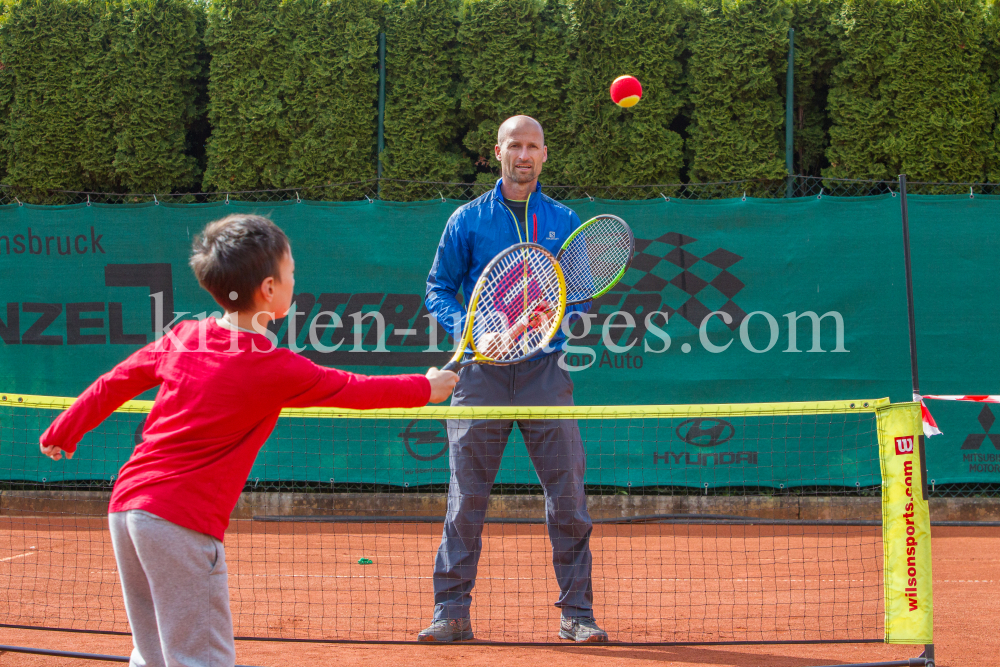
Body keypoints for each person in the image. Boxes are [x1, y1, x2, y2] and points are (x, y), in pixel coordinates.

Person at [39, 214, 459, 667]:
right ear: (269, 289)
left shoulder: (185, 337)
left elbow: (114, 381)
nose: (295, 279)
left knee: (154, 657)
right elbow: (357, 389)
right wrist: (427, 387)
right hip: (180, 523)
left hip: (127, 512)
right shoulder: (274, 366)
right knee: (202, 660)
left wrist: (63, 431)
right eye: (291, 271)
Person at [421, 115, 607, 643]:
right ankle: (451, 612)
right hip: (480, 374)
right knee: (465, 498)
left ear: (544, 155)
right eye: (514, 146)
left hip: (545, 373)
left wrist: (552, 314)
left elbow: (583, 294)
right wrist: (477, 329)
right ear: (497, 152)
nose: (523, 155)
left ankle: (578, 615)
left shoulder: (564, 219)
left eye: (533, 146)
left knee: (568, 497)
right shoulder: (467, 220)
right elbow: (438, 289)